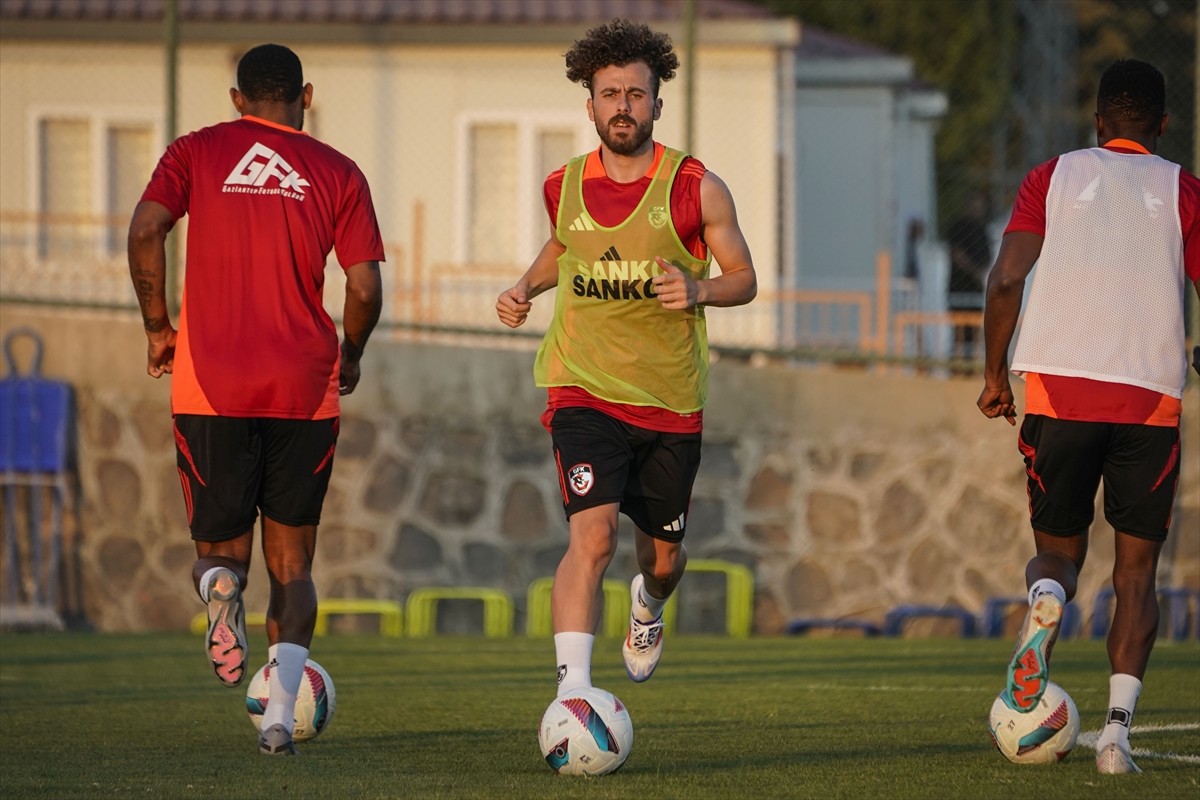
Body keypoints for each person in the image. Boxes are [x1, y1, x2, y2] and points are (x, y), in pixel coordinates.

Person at [127, 43, 384, 756]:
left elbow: (146, 228)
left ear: (238, 100)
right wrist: (351, 354)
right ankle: (278, 718)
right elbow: (364, 287)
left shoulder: (197, 152)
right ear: (307, 96)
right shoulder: (338, 171)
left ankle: (217, 587)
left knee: (222, 550)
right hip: (302, 387)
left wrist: (157, 329)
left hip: (211, 381)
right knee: (294, 565)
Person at [495, 19, 756, 697]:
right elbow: (564, 246)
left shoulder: (696, 187)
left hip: (669, 399)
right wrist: (525, 285)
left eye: (635, 94)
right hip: (580, 387)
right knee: (593, 539)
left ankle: (649, 602)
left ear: (656, 103)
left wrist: (699, 289)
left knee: (662, 558)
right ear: (589, 104)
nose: (622, 106)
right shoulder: (563, 184)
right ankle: (574, 694)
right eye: (609, 93)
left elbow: (744, 278)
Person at [977, 59, 1199, 775]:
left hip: (1058, 390)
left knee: (1060, 553)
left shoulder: (1052, 177)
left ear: (1098, 122)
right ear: (1163, 125)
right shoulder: (1184, 190)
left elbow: (1007, 275)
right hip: (1147, 398)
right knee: (1136, 574)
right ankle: (1115, 739)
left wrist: (993, 374)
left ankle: (1046, 597)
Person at [946, 191, 991, 361]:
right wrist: (974, 272)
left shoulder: (982, 230)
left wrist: (980, 274)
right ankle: (958, 363)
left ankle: (971, 363)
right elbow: (956, 253)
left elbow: (987, 257)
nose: (978, 209)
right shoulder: (959, 226)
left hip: (976, 286)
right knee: (958, 324)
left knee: (974, 324)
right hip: (958, 283)